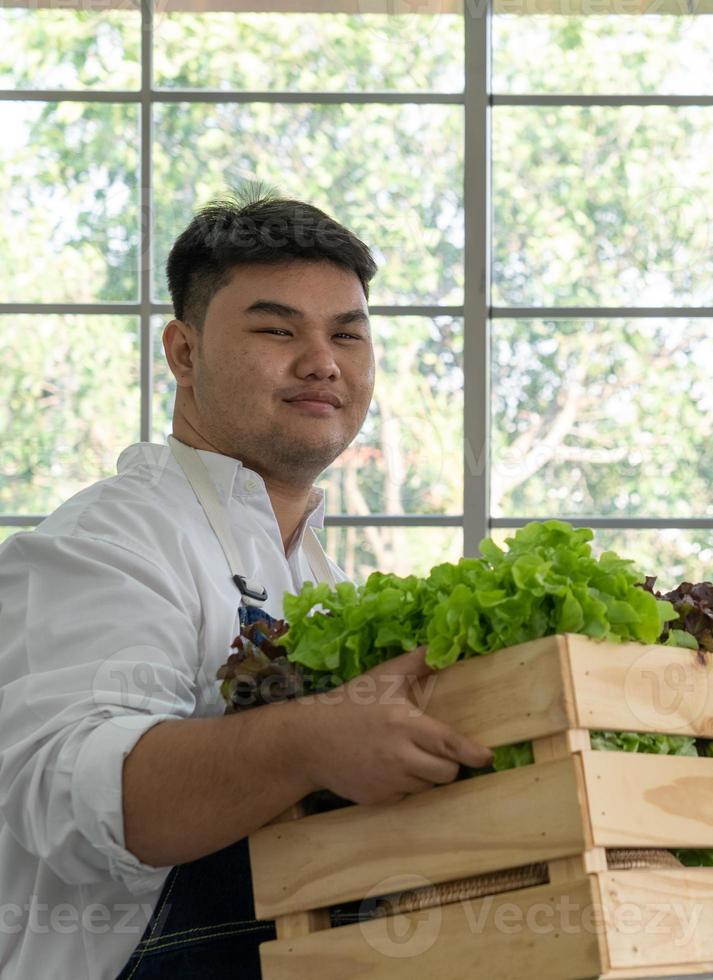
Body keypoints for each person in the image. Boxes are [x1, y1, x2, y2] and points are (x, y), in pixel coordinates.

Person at [0, 197, 492, 979]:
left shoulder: (325, 583)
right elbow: (71, 797)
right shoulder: (107, 543)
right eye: (277, 329)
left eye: (347, 333)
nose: (322, 362)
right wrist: (308, 742)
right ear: (184, 353)